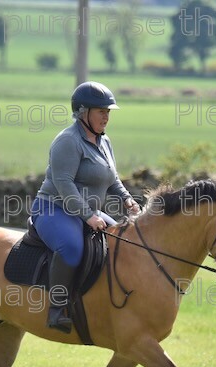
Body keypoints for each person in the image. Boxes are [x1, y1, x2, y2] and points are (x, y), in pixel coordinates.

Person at [31, 81, 141, 333]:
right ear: (83, 112)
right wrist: (89, 215)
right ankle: (56, 310)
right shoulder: (67, 141)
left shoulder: (105, 142)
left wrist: (126, 199)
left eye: (108, 111)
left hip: (88, 212)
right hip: (54, 208)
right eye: (101, 110)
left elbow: (111, 178)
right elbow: (63, 184)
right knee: (71, 248)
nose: (106, 116)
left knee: (124, 244)